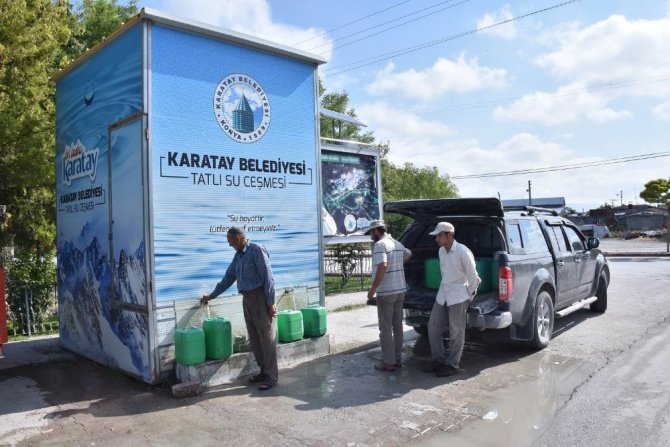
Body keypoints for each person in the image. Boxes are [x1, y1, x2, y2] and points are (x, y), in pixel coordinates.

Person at [201, 227, 278, 391]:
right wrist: (212, 295)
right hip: (247, 299)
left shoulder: (256, 250)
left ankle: (271, 377)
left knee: (266, 338)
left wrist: (270, 303)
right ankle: (263, 372)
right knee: (255, 339)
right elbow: (228, 278)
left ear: (239, 237)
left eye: (231, 241)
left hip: (260, 298)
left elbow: (268, 277)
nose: (230, 245)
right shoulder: (238, 256)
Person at [422, 221, 480, 377]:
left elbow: (474, 278)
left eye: (439, 235)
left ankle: (452, 364)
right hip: (443, 295)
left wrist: (468, 295)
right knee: (433, 327)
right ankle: (438, 360)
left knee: (456, 331)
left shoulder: (463, 251)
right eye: (437, 236)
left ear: (450, 235)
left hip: (458, 296)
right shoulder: (441, 252)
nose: (437, 239)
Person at [365, 219, 412, 372]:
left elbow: (382, 266)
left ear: (376, 231)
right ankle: (397, 359)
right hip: (400, 290)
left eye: (371, 233)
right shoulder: (397, 243)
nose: (371, 236)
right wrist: (397, 264)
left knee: (385, 328)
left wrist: (373, 289)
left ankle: (388, 362)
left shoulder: (380, 245)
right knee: (397, 326)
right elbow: (409, 254)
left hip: (386, 292)